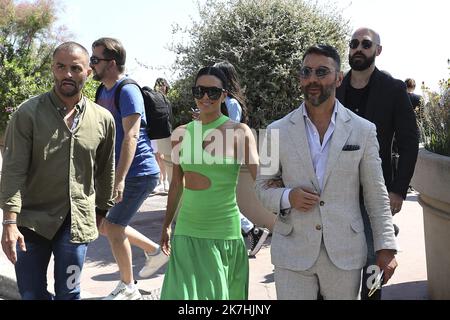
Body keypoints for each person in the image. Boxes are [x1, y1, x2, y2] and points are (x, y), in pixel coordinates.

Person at [255, 44, 398, 300]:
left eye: (322, 72)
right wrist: (289, 197)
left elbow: (376, 193)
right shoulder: (274, 131)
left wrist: (386, 246)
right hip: (292, 252)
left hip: (345, 252)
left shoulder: (363, 130)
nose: (312, 79)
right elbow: (261, 187)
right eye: (306, 72)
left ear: (339, 78)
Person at [0, 42, 116, 300]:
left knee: (70, 293)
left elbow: (106, 169)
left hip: (76, 224)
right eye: (61, 67)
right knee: (31, 294)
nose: (67, 74)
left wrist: (100, 212)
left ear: (88, 71)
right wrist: (9, 222)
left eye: (76, 68)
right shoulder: (27, 113)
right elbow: (13, 170)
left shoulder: (103, 119)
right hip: (31, 222)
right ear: (53, 69)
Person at [160, 66, 260, 299]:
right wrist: (166, 224)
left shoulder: (239, 132)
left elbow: (261, 179)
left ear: (224, 95)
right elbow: (176, 184)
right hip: (186, 229)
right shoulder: (181, 134)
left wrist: (286, 204)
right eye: (200, 90)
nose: (206, 97)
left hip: (223, 231)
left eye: (213, 92)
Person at [336, 28, 419, 300]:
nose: (358, 48)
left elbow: (408, 141)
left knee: (374, 263)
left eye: (366, 44)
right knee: (340, 262)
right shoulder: (336, 87)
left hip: (376, 192)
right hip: (338, 193)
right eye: (354, 43)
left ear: (377, 51)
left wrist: (398, 190)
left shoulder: (393, 88)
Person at [90, 37, 168, 300]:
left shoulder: (127, 90)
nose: (91, 65)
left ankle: (129, 287)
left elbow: (131, 136)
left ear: (111, 63)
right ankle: (154, 252)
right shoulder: (102, 91)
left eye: (95, 60)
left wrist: (119, 178)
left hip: (139, 172)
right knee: (105, 224)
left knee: (112, 226)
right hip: (117, 172)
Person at [213, 60, 269, 257]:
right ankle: (250, 231)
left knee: (221, 200)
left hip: (226, 158)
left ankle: (251, 230)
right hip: (220, 155)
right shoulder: (223, 102)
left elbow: (231, 131)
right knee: (220, 200)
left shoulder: (231, 103)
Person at [151, 77, 171, 194]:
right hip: (155, 132)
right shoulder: (154, 99)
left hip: (165, 132)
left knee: (163, 157)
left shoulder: (167, 100)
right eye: (159, 85)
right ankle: (160, 182)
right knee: (157, 156)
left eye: (163, 84)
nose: (161, 87)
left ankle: (166, 181)